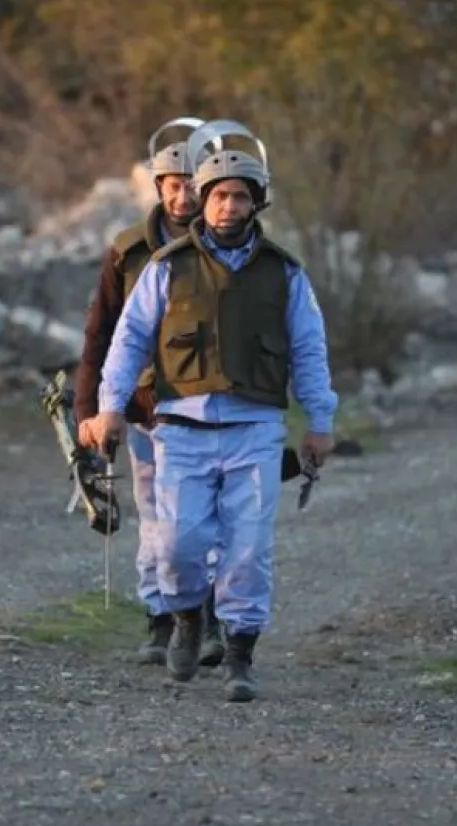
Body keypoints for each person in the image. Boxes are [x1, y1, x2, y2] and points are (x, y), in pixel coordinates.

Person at [88, 119, 338, 703]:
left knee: (248, 546)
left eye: (240, 195)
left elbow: (308, 349)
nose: (229, 205)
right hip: (181, 427)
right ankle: (184, 619)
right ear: (202, 198)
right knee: (177, 543)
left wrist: (319, 421)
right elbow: (126, 341)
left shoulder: (284, 273)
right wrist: (109, 408)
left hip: (255, 426)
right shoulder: (166, 267)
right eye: (219, 194)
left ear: (258, 202)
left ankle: (240, 653)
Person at [73, 117, 227, 670]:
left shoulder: (223, 247)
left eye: (193, 184)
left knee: (205, 518)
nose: (184, 196)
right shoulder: (127, 251)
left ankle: (209, 618)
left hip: (207, 408)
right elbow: (101, 334)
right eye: (174, 185)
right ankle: (161, 620)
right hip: (142, 409)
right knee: (157, 518)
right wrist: (89, 411)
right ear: (159, 187)